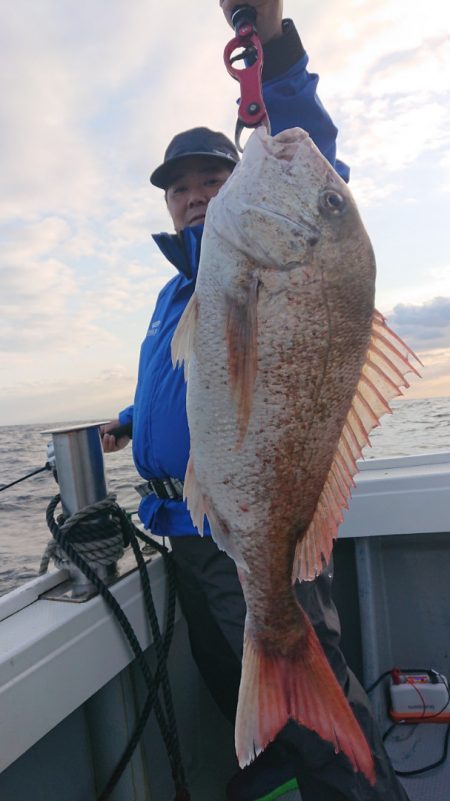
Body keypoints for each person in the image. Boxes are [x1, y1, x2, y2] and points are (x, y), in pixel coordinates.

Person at [102, 3, 410, 800]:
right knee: (252, 720)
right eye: (181, 187)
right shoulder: (181, 290)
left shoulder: (250, 259)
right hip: (192, 531)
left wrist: (269, 40)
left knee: (319, 718)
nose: (196, 195)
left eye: (213, 177)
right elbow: (197, 388)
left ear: (240, 180)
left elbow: (313, 150)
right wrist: (132, 423)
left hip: (255, 521)